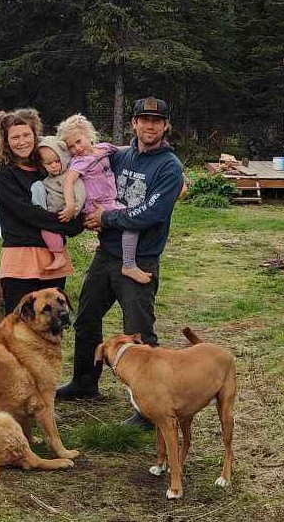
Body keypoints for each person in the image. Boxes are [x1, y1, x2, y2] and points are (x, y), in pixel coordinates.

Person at [55, 97, 184, 430]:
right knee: (86, 318)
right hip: (106, 253)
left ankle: (150, 409)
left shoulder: (169, 167)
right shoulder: (119, 155)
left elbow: (152, 213)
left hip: (140, 258)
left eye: (157, 121)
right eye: (144, 119)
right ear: (134, 124)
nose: (150, 126)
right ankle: (84, 381)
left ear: (166, 126)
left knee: (138, 332)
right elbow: (83, 169)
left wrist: (106, 217)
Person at [0, 109, 85, 314]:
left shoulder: (47, 167)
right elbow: (26, 213)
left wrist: (79, 219)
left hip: (53, 257)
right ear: (6, 141)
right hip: (20, 259)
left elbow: (69, 197)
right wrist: (70, 224)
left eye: (26, 135)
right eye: (15, 137)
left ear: (35, 135)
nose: (22, 142)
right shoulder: (2, 172)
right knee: (20, 324)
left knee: (53, 322)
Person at [56, 113, 151, 284]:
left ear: (88, 135)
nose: (76, 148)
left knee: (131, 220)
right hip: (96, 204)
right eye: (71, 147)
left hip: (111, 201)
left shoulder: (104, 149)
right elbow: (68, 181)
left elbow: (125, 150)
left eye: (78, 141)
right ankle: (129, 265)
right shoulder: (80, 161)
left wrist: (148, 154)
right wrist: (70, 206)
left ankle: (119, 258)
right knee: (132, 222)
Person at [31, 136, 86, 272]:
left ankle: (59, 255)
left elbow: (80, 193)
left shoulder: (70, 176)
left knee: (49, 229)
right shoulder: (46, 181)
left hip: (66, 213)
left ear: (64, 157)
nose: (54, 165)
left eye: (57, 161)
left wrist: (74, 210)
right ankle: (57, 254)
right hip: (51, 213)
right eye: (48, 163)